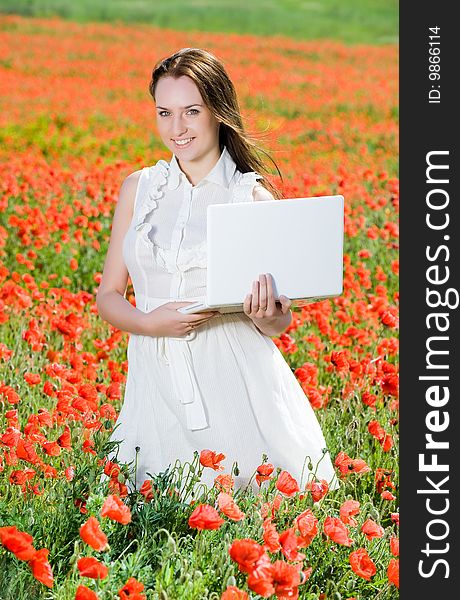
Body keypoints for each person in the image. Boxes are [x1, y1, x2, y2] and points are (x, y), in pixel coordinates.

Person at [96, 47, 338, 497]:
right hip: (155, 376)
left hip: (232, 376)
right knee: (154, 509)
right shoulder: (139, 189)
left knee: (247, 504)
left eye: (192, 111)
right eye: (164, 113)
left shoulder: (250, 197)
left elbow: (277, 322)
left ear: (218, 111)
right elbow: (108, 295)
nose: (177, 128)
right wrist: (150, 322)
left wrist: (269, 314)